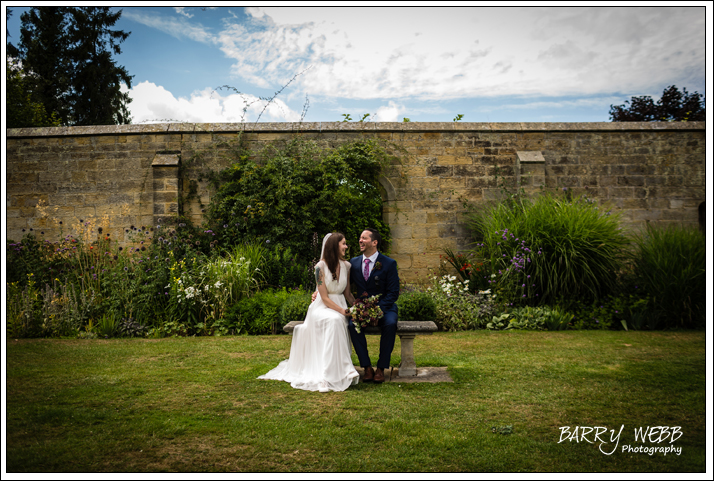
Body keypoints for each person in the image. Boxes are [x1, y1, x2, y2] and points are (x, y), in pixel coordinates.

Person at [258, 233, 359, 392]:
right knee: (335, 320)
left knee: (338, 320)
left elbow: (347, 294)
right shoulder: (320, 267)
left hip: (339, 304)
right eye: (344, 244)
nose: (346, 247)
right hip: (321, 308)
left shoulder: (347, 266)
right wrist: (342, 311)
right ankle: (327, 376)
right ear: (334, 246)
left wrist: (358, 307)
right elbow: (324, 298)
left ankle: (342, 370)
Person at [312, 228, 400, 384]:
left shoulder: (389, 263)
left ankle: (381, 368)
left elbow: (393, 294)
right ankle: (366, 367)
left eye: (364, 238)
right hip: (361, 308)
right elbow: (337, 282)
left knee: (391, 324)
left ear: (374, 242)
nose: (360, 240)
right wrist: (318, 292)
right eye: (360, 238)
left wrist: (376, 311)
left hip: (385, 307)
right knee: (352, 326)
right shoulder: (352, 263)